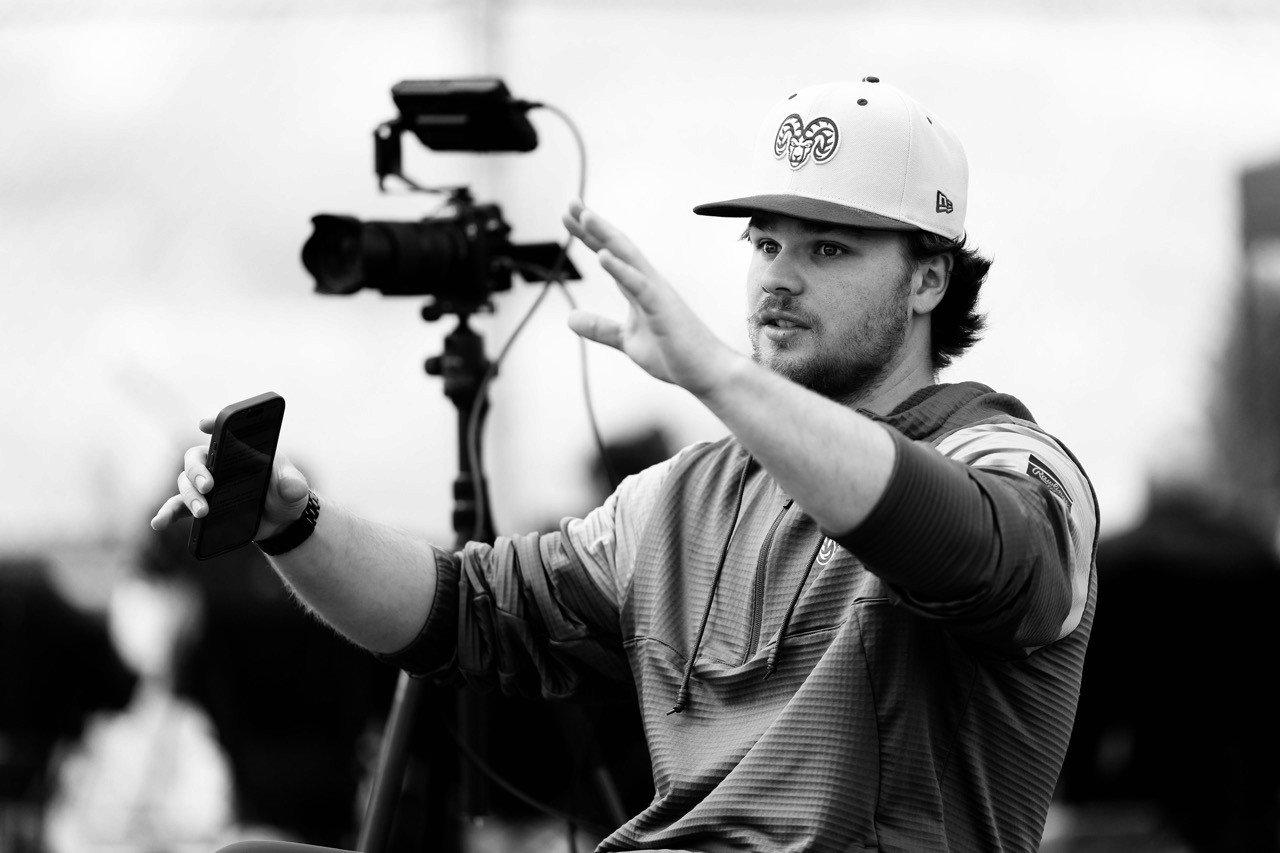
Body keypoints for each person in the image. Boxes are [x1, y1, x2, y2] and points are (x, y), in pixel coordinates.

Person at [153, 78, 1099, 852]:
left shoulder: (1004, 457)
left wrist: (719, 376)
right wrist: (293, 524)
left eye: (828, 247)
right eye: (766, 242)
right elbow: (469, 610)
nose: (779, 275)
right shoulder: (684, 494)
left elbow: (980, 551)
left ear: (928, 278)